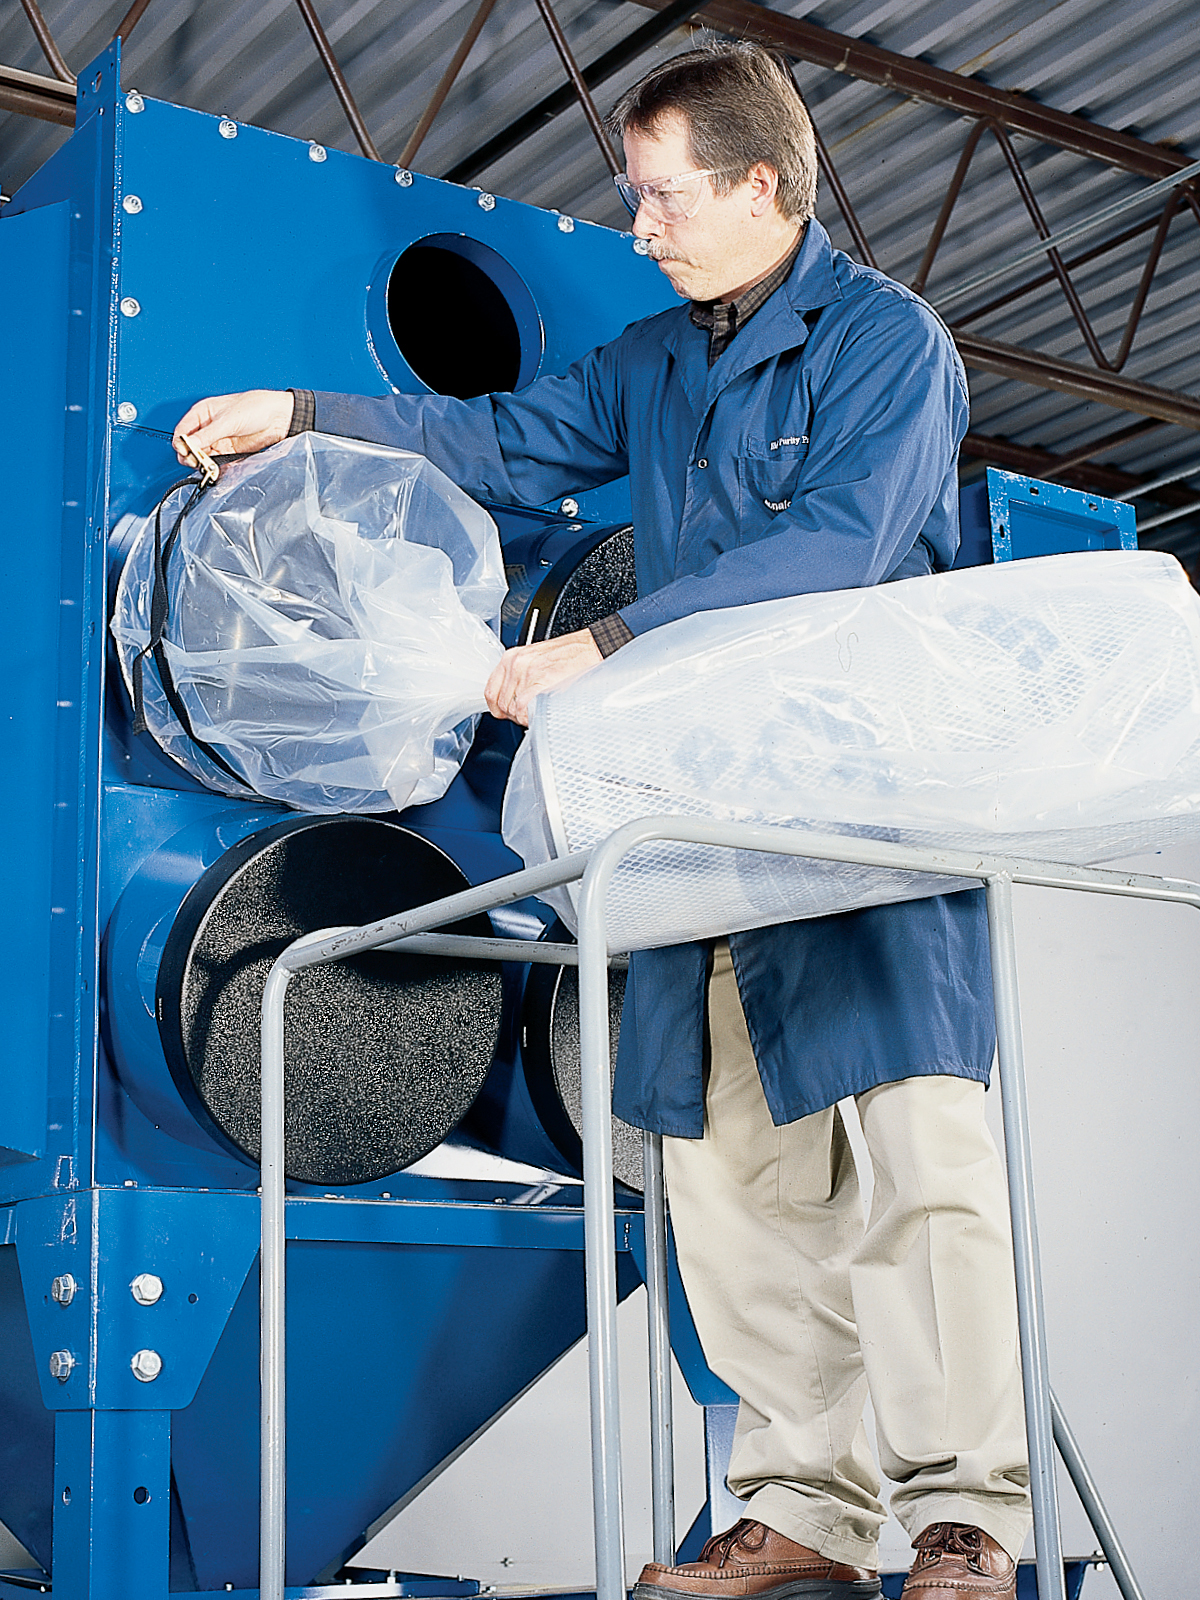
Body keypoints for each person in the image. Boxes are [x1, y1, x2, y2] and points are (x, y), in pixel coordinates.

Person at [173, 43, 1030, 1600]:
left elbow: (838, 548)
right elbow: (499, 442)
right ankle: (803, 1513)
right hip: (708, 824)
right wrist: (299, 414)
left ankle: (964, 1519)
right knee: (737, 1179)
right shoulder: (654, 362)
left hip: (860, 813)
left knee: (915, 1158)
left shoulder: (886, 343)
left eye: (662, 196)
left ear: (762, 185)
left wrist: (604, 645)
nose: (640, 227)